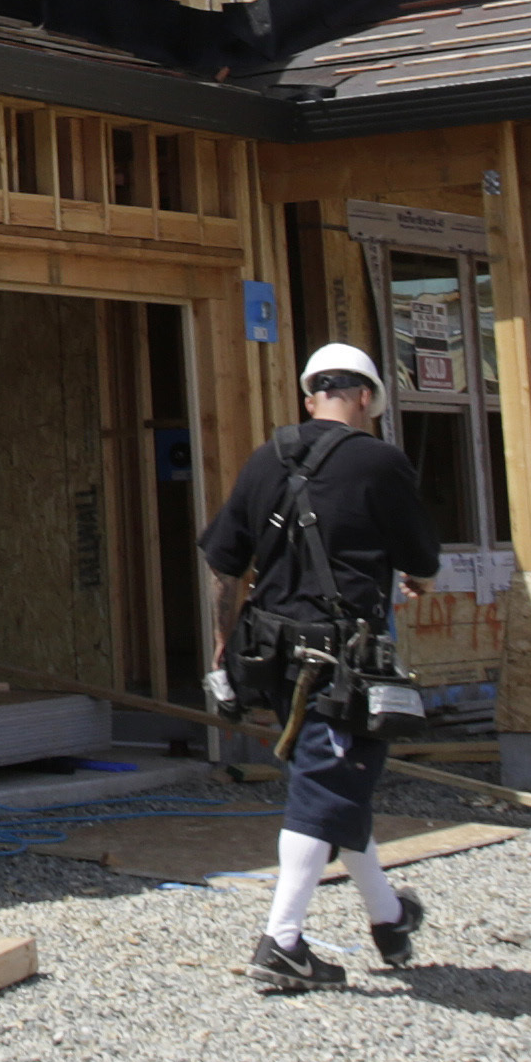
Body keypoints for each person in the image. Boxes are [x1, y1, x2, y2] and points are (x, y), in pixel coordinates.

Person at [198, 341, 442, 992]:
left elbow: (224, 565)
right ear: (364, 398)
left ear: (311, 397)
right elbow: (422, 556)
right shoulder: (381, 464)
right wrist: (411, 575)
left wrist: (224, 643)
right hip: (342, 661)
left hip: (271, 655)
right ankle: (281, 944)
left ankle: (389, 919)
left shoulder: (264, 459)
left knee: (338, 776)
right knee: (327, 785)